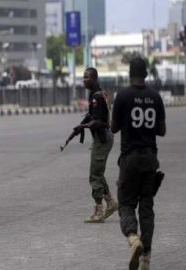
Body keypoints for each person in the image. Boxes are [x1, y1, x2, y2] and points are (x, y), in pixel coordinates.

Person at [111, 57, 166, 270]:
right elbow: (162, 130)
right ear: (146, 74)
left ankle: (133, 238)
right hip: (150, 158)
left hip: (130, 158)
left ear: (129, 73)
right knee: (146, 206)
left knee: (125, 203)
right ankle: (146, 259)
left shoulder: (123, 96)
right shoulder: (155, 97)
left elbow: (114, 128)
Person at [73, 67, 118, 223]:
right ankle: (111, 203)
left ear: (94, 78)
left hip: (102, 139)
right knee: (98, 173)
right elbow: (92, 116)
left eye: (87, 77)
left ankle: (99, 211)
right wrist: (80, 126)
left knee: (94, 175)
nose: (84, 80)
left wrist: (83, 127)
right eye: (83, 77)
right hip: (102, 138)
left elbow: (98, 121)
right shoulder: (97, 94)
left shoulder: (97, 97)